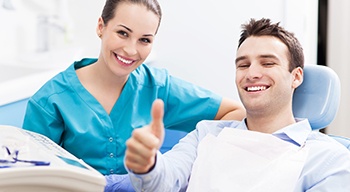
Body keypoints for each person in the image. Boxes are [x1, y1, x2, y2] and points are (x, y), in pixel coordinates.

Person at [21, 0, 245, 176]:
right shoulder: (50, 101)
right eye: (123, 33)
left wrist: (180, 162)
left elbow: (235, 113)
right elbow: (31, 176)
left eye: (144, 40)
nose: (130, 50)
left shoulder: (158, 88)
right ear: (101, 27)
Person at [124, 18, 350, 191]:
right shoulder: (206, 134)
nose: (251, 73)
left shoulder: (329, 159)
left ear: (296, 77)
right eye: (243, 65)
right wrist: (148, 164)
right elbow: (163, 181)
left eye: (267, 63)